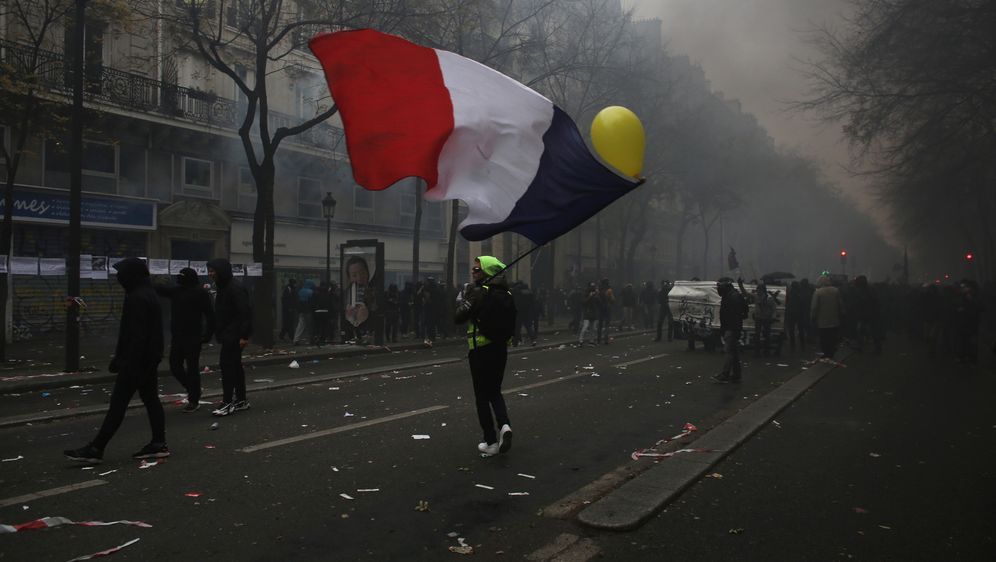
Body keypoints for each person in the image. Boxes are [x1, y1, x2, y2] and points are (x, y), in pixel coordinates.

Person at [65, 258, 167, 463]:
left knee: (118, 404)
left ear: (131, 276)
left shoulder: (137, 297)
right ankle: (158, 443)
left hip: (136, 362)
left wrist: (124, 360)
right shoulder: (148, 294)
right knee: (151, 400)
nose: (119, 278)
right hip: (147, 359)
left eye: (122, 274)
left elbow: (135, 335)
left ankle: (96, 448)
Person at [455, 256, 514, 457]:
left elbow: (459, 317)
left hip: (480, 350)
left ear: (488, 272)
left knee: (481, 396)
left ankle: (490, 441)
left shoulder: (478, 292)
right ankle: (505, 425)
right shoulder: (506, 293)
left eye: (477, 269)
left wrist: (463, 300)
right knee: (495, 392)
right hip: (500, 349)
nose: (473, 272)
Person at [155, 267, 215, 412]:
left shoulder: (201, 293)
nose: (180, 278)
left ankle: (194, 399)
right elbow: (160, 290)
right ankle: (193, 389)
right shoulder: (177, 290)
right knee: (175, 366)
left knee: (192, 367)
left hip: (193, 336)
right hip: (178, 336)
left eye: (182, 276)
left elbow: (210, 314)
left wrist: (207, 335)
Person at [207, 259, 253, 416]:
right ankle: (241, 400)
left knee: (227, 367)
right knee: (235, 367)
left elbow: (245, 313)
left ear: (221, 271)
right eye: (209, 270)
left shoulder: (234, 288)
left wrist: (243, 336)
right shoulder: (225, 286)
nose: (210, 274)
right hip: (229, 333)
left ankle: (227, 402)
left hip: (233, 334)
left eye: (213, 271)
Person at [712, 277, 747, 383]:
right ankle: (736, 374)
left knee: (729, 352)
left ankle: (725, 374)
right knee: (734, 352)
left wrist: (729, 329)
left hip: (731, 328)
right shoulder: (731, 295)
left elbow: (736, 314)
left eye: (719, 286)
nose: (718, 288)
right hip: (732, 328)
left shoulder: (733, 297)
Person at [811, 274, 845, 360]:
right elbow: (840, 304)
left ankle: (826, 353)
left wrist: (812, 317)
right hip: (834, 318)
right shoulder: (836, 291)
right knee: (832, 336)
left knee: (824, 338)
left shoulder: (818, 292)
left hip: (822, 320)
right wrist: (842, 313)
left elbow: (814, 307)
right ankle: (831, 352)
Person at [596, 278, 614, 344]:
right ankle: (606, 339)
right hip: (607, 307)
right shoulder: (609, 290)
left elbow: (596, 298)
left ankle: (598, 339)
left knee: (600, 324)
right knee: (607, 324)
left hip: (600, 308)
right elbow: (612, 299)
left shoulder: (598, 290)